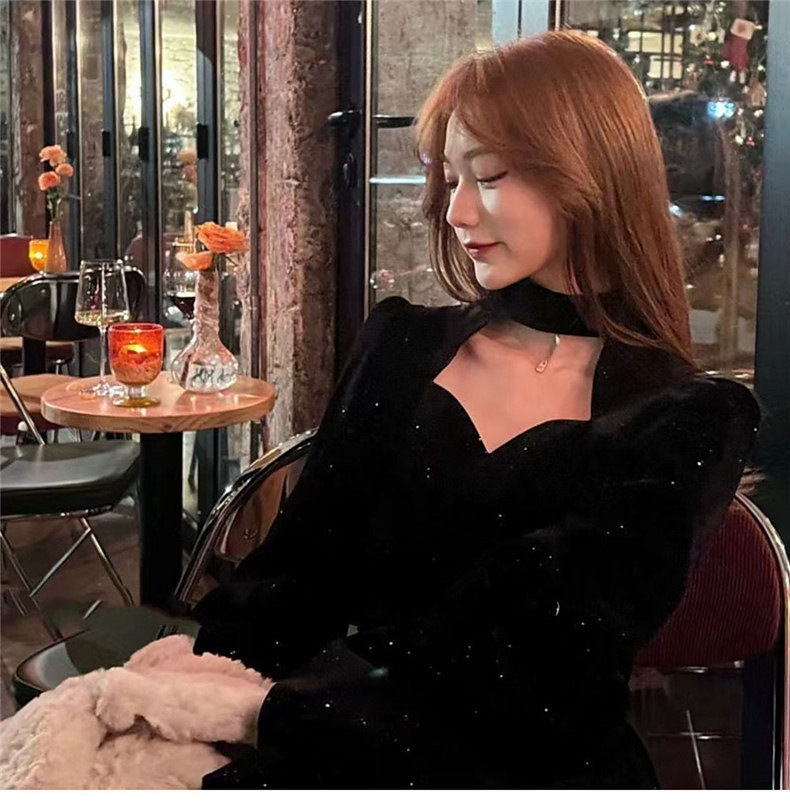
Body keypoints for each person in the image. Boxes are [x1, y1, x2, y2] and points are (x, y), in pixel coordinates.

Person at [192, 31, 761, 789]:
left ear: (589, 176)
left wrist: (282, 716)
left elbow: (535, 672)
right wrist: (188, 696)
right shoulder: (401, 345)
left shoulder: (684, 419)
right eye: (449, 177)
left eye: (488, 176)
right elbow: (296, 574)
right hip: (334, 739)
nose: (455, 211)